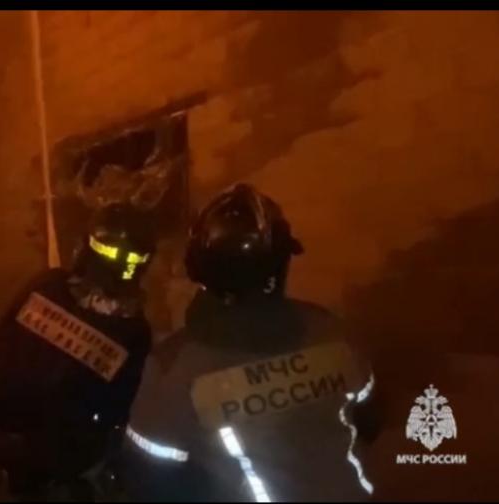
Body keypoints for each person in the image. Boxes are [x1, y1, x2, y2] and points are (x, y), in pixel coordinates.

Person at [121, 183, 380, 502]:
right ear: (281, 264)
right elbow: (369, 420)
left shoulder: (173, 365)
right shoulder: (328, 329)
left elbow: (150, 476)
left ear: (197, 267)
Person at [0, 203, 157, 501]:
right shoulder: (134, 332)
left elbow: (0, 340)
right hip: (67, 465)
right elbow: (120, 409)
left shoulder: (47, 284)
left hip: (5, 432)